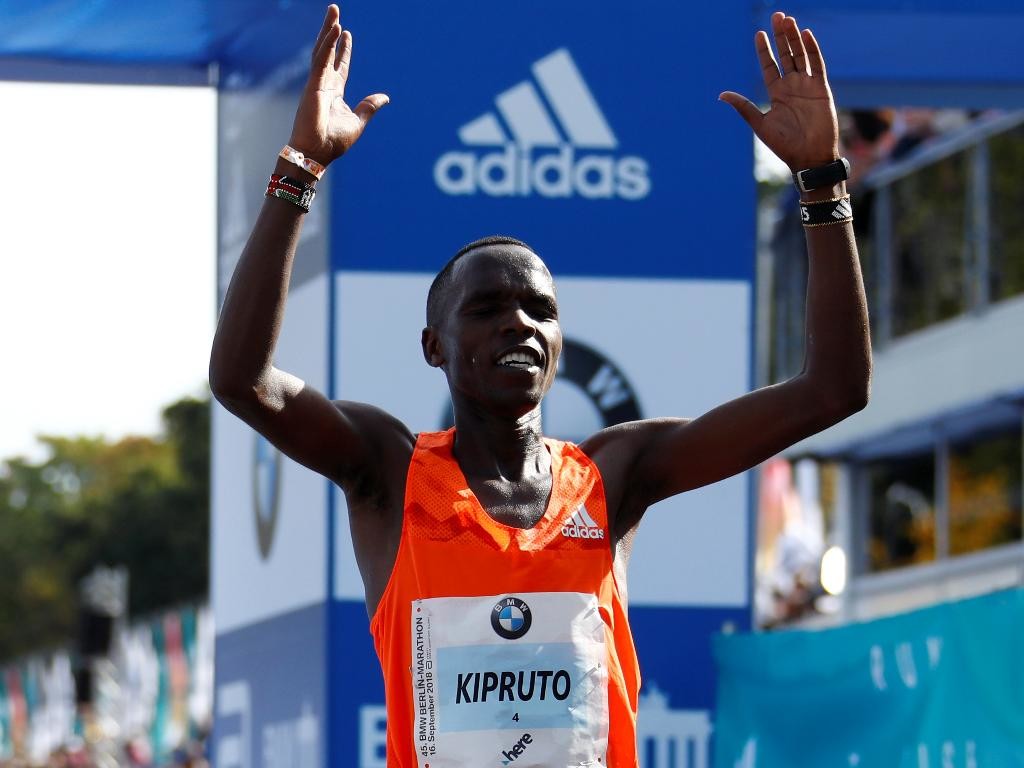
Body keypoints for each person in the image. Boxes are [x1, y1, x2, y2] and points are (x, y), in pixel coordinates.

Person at [209, 6, 871, 766]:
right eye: (487, 309)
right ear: (434, 346)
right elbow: (241, 379)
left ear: (558, 342)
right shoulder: (388, 470)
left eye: (540, 311)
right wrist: (300, 168)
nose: (518, 324)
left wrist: (821, 182)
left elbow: (834, 389)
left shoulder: (615, 474)